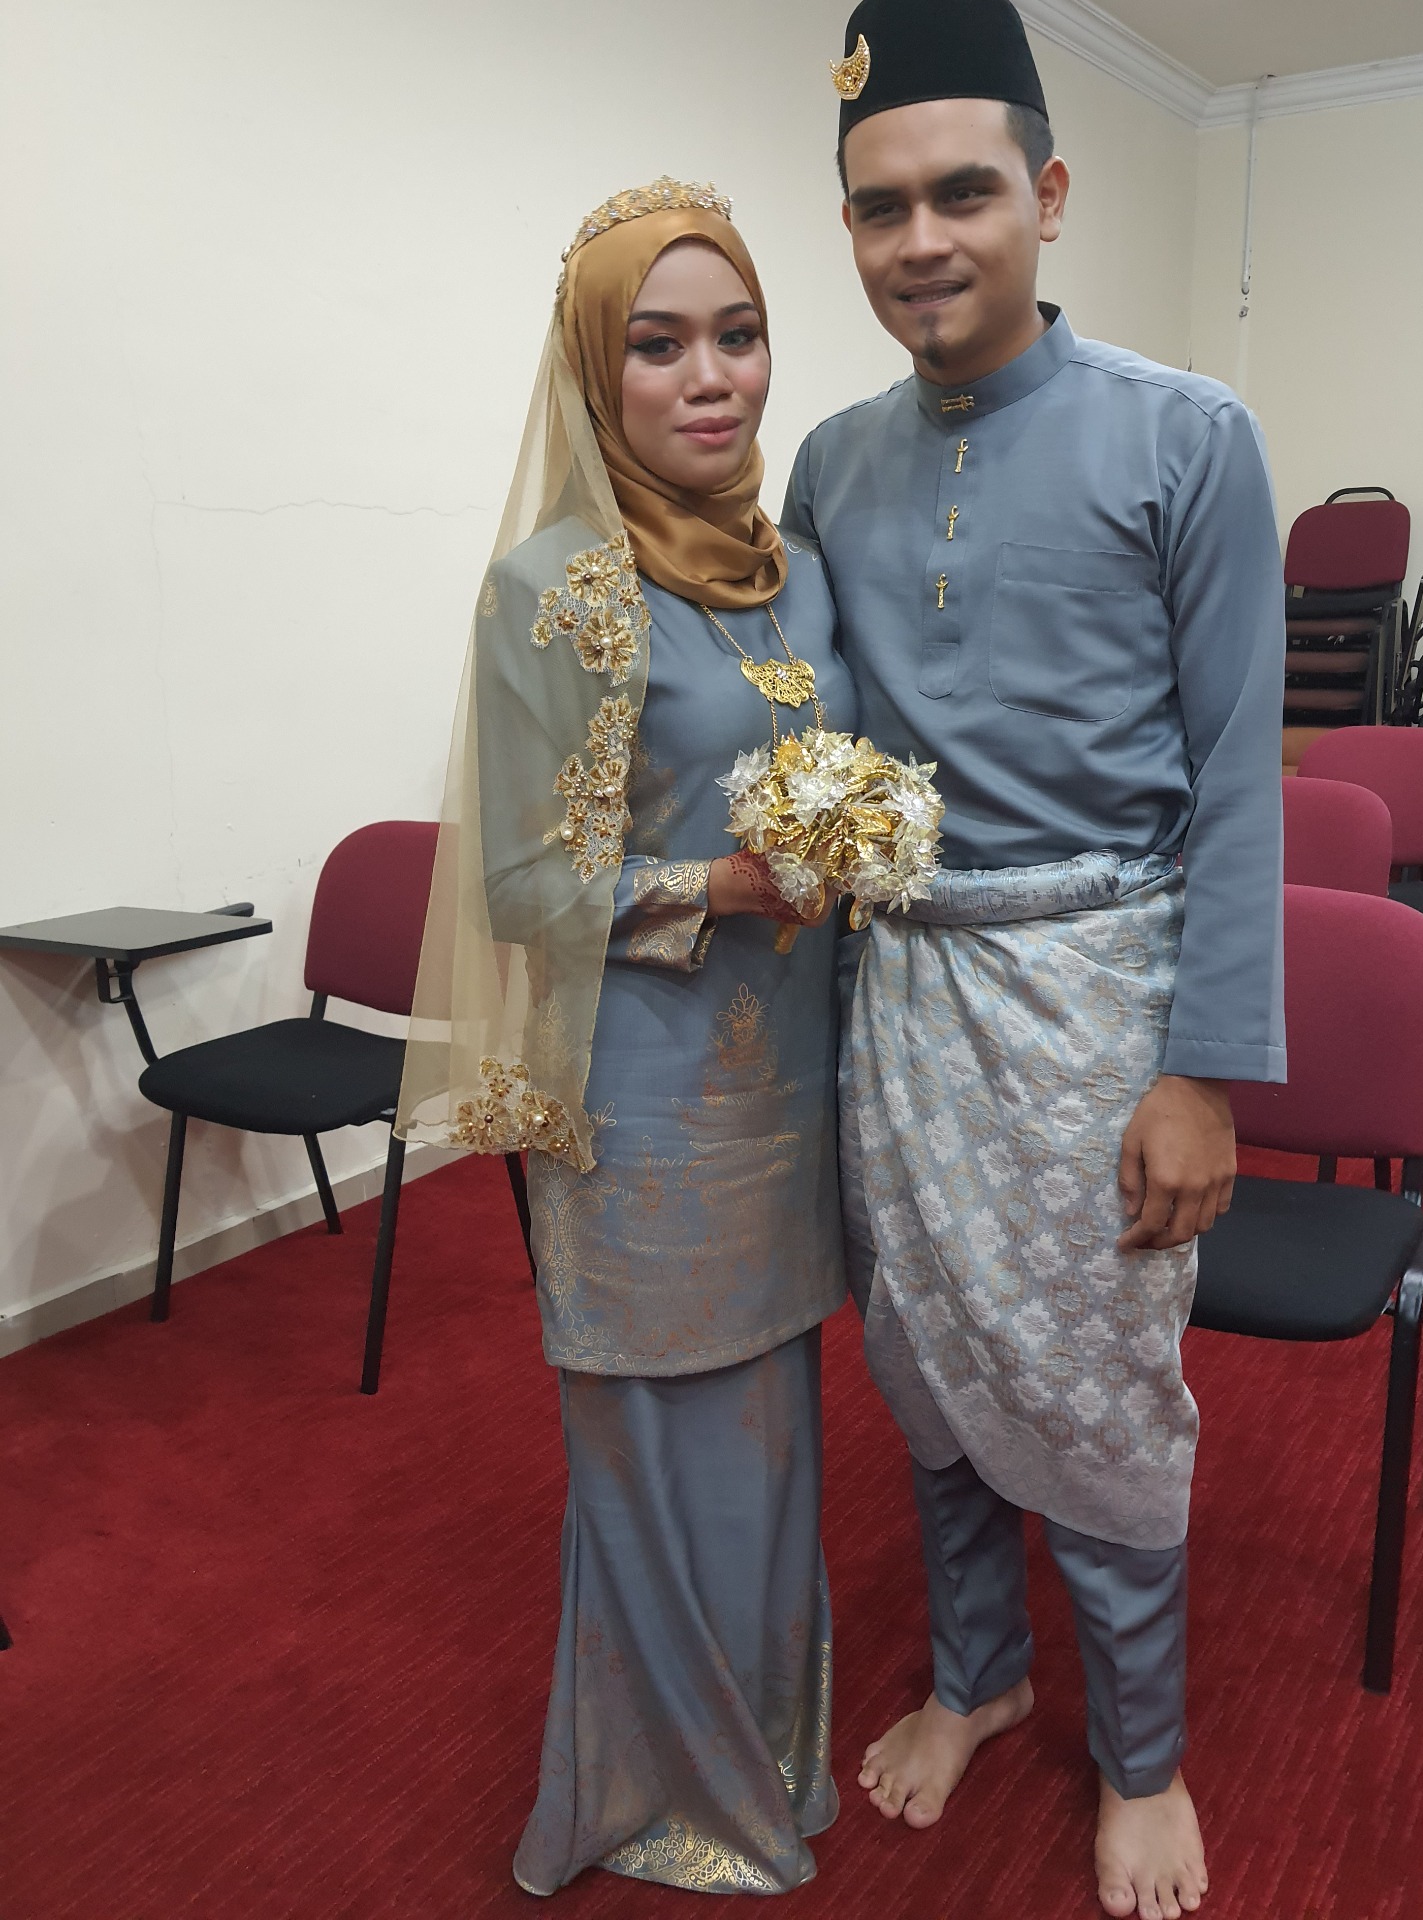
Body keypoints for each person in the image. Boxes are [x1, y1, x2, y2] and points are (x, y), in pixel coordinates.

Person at [782, 0, 1286, 1920]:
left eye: (964, 192)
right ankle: (981, 1675)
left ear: (1048, 196)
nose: (922, 240)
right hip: (901, 994)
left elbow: (1238, 773)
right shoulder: (831, 461)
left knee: (1099, 1385)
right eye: (880, 205)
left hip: (1100, 994)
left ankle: (1141, 1755)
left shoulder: (1189, 434)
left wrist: (1201, 1069)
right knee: (925, 1354)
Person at [397, 180, 854, 1894]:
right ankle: (671, 1790)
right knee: (662, 1451)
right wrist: (718, 883)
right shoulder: (553, 590)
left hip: (790, 1083)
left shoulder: (797, 572)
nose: (709, 378)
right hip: (644, 1108)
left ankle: (768, 1761)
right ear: (597, 369)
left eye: (738, 335)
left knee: (770, 1435)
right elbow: (517, 885)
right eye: (658, 345)